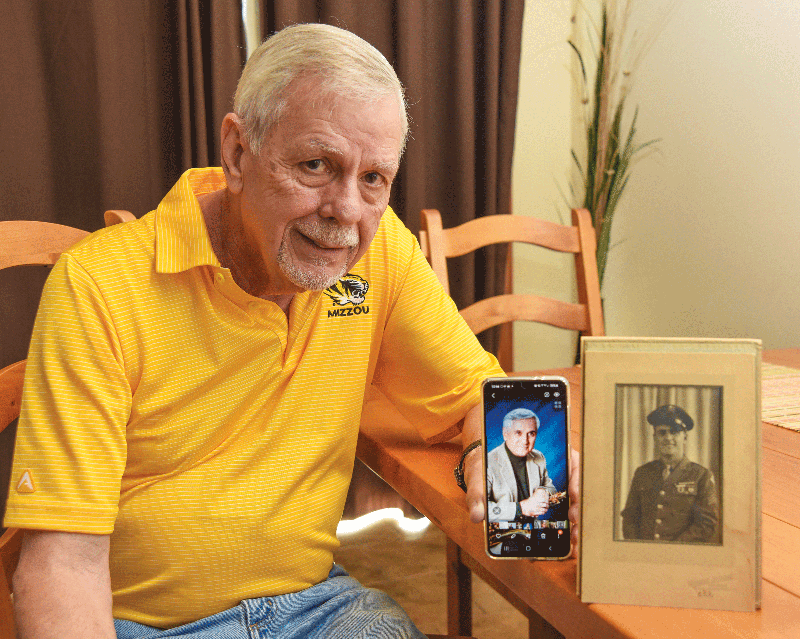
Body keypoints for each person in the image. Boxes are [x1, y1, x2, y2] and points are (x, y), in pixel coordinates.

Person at [4, 24, 512, 639]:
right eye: (316, 165)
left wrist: (494, 447)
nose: (346, 211)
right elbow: (63, 562)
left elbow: (479, 393)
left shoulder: (382, 259)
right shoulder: (99, 285)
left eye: (374, 178)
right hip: (147, 627)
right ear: (238, 152)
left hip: (316, 609)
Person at [621, 404, 720, 543]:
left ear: (684, 437)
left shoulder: (701, 475)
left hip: (683, 557)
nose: (668, 438)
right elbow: (630, 517)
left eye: (674, 432)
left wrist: (672, 549)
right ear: (655, 437)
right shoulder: (642, 473)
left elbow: (707, 525)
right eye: (662, 433)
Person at [485, 408, 557, 522]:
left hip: (532, 529)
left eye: (531, 434)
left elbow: (551, 488)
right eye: (518, 433)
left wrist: (543, 491)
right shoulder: (487, 462)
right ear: (505, 434)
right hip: (501, 533)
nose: (525, 441)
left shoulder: (539, 457)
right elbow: (482, 509)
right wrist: (521, 508)